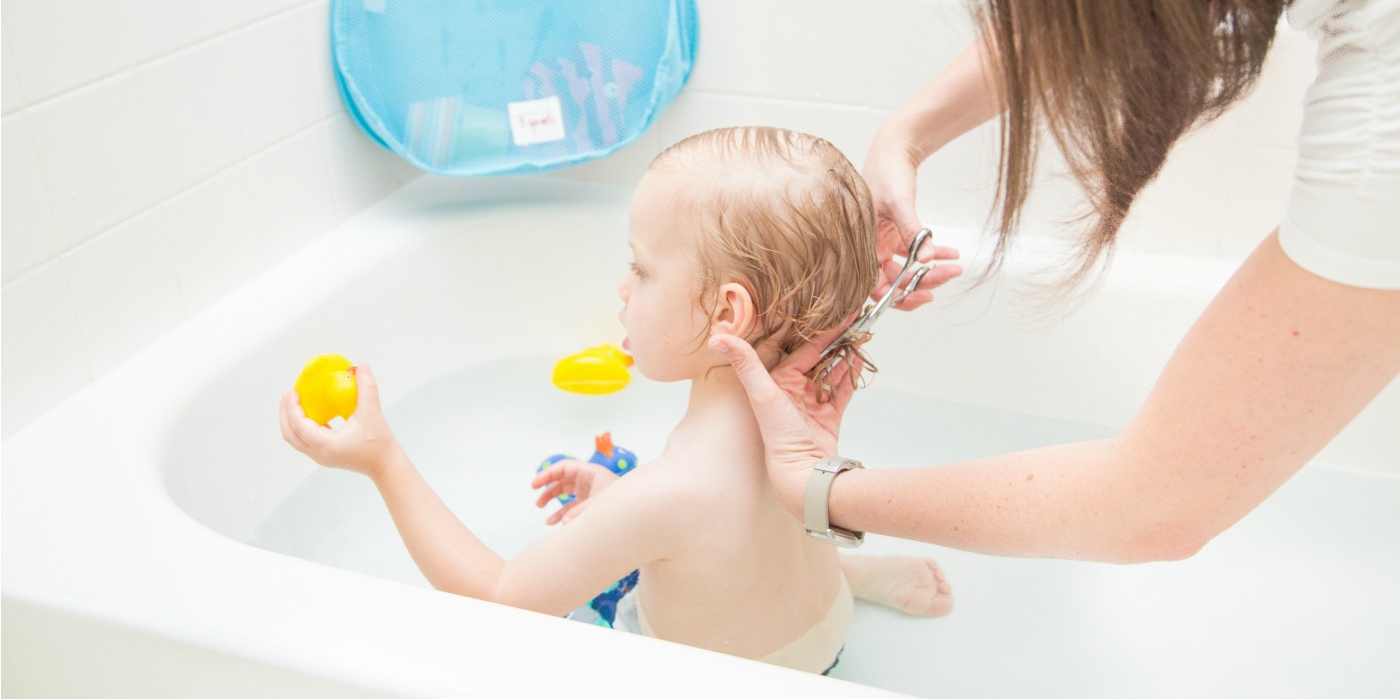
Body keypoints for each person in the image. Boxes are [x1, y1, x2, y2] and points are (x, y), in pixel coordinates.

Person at [710, 0, 1400, 563]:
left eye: (642, 269)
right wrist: (905, 135)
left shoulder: (1381, 126)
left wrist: (815, 488)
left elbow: (1155, 509)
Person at [278, 126, 953, 676]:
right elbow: (749, 524)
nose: (625, 290)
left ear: (727, 310)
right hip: (818, 642)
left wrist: (383, 461)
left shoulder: (670, 491)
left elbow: (501, 599)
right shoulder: (810, 398)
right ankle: (853, 580)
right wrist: (619, 500)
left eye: (641, 268)